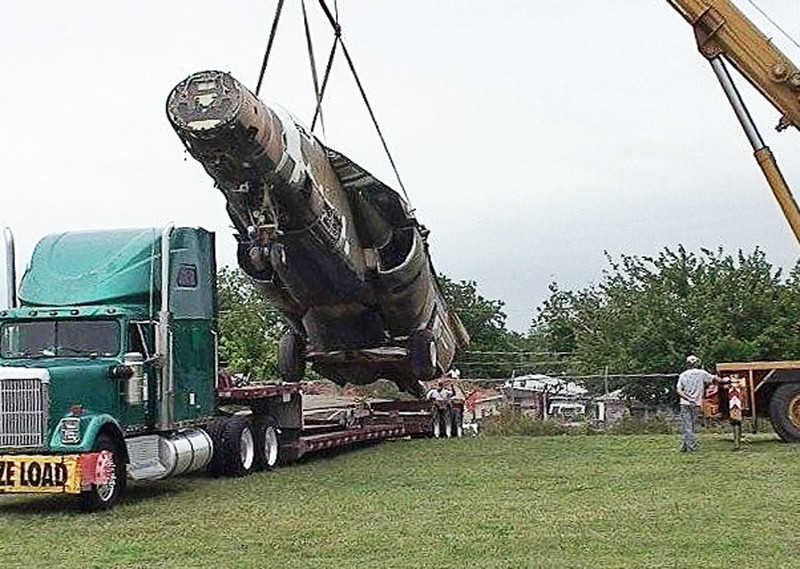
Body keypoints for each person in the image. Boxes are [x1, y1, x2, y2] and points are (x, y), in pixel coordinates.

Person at [676, 354, 718, 453]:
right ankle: (691, 448)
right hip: (696, 403)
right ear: (696, 363)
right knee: (690, 426)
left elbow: (679, 390)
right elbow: (713, 379)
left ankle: (685, 447)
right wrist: (726, 380)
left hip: (684, 403)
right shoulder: (701, 373)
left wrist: (687, 398)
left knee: (687, 425)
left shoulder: (683, 375)